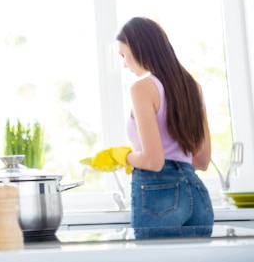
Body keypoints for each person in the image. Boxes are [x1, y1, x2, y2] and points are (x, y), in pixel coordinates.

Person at [83, 17, 213, 239]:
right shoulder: (194, 88)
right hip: (198, 197)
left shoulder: (143, 88)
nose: (125, 64)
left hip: (159, 196)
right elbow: (202, 161)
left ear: (137, 47)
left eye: (123, 55)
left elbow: (154, 162)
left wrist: (123, 156)